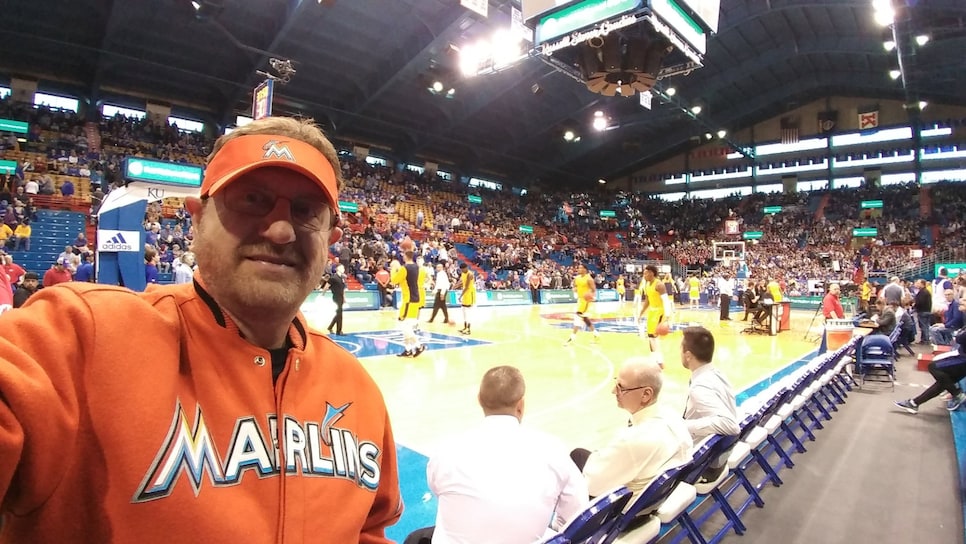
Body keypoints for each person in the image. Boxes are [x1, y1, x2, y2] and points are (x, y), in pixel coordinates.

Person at [0, 117, 402, 541]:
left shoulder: (359, 391)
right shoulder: (80, 338)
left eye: (305, 212)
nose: (281, 230)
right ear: (196, 217)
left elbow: (368, 531)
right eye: (252, 199)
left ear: (331, 238)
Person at [407, 366, 588, 544]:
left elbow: (441, 492)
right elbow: (578, 513)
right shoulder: (553, 450)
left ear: (479, 400)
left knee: (417, 537)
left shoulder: (445, 450)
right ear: (521, 404)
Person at [570, 357, 692, 497]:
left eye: (621, 387)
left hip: (627, 510)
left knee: (575, 459)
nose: (613, 391)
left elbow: (590, 486)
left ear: (646, 394)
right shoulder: (673, 417)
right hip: (657, 494)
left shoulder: (633, 440)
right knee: (580, 455)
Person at [680, 326, 739, 481]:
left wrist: (682, 426)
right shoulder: (717, 374)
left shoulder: (700, 387)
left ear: (688, 355)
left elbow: (730, 424)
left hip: (703, 464)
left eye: (681, 348)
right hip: (714, 456)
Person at [896, 298, 966, 413]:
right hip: (962, 353)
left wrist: (959, 335)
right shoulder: (963, 315)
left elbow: (961, 338)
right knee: (943, 382)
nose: (960, 303)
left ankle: (957, 393)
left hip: (963, 357)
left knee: (933, 367)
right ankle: (914, 403)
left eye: (963, 302)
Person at [392, 250, 427, 357]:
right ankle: (407, 350)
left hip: (409, 300)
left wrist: (393, 269)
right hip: (415, 298)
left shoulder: (404, 268)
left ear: (406, 257)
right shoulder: (417, 268)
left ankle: (419, 346)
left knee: (406, 327)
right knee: (405, 327)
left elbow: (394, 280)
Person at [637, 265, 672, 364]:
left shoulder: (659, 284)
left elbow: (665, 300)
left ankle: (659, 360)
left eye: (645, 273)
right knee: (651, 336)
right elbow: (647, 301)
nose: (644, 275)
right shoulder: (647, 284)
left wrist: (668, 316)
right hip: (652, 312)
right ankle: (654, 358)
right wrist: (641, 313)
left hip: (660, 311)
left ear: (651, 273)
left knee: (653, 336)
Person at [565, 263, 599, 345]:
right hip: (579, 300)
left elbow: (593, 289)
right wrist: (574, 289)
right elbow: (574, 286)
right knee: (585, 318)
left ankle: (572, 337)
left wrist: (589, 295)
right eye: (578, 268)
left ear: (585, 269)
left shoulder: (589, 279)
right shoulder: (577, 278)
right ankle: (595, 334)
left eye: (580, 268)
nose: (578, 269)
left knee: (577, 316)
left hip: (585, 301)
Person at [322, 263, 346, 335]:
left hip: (341, 297)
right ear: (338, 268)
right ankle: (339, 331)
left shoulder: (341, 278)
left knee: (338, 314)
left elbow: (343, 289)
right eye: (342, 268)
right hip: (336, 297)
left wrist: (344, 298)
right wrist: (323, 294)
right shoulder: (333, 278)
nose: (343, 269)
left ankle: (330, 327)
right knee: (340, 314)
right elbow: (327, 286)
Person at [457, 262, 476, 335]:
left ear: (466, 268)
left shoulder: (470, 274)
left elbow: (467, 286)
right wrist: (456, 286)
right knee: (464, 311)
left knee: (468, 312)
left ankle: (468, 329)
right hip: (465, 293)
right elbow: (462, 282)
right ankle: (465, 327)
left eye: (462, 269)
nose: (462, 271)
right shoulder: (463, 273)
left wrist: (460, 296)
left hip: (470, 293)